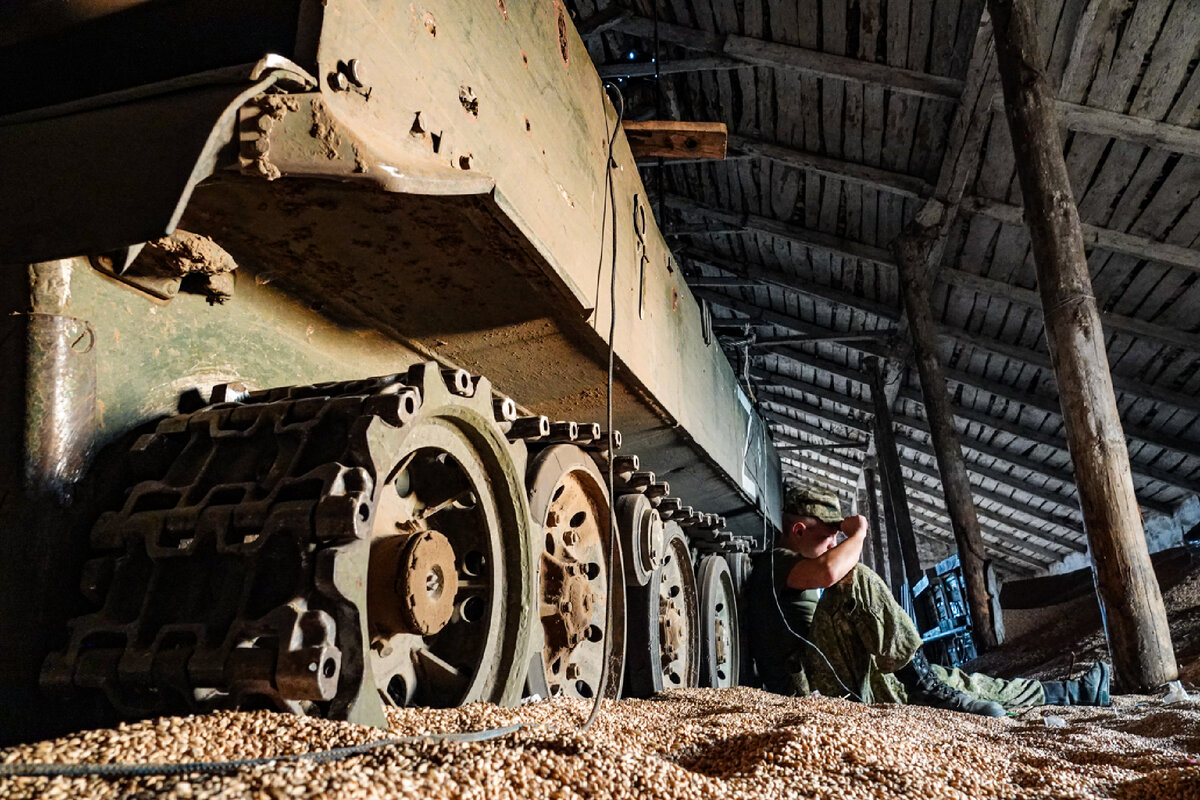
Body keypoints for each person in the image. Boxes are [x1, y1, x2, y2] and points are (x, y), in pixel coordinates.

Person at [747, 484, 1110, 716]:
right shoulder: (776, 563)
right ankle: (922, 686)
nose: (832, 544)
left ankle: (1073, 692)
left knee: (962, 683)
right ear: (798, 530)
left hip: (838, 674)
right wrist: (858, 534)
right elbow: (831, 573)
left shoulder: (792, 565)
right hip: (811, 689)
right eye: (828, 536)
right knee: (853, 578)